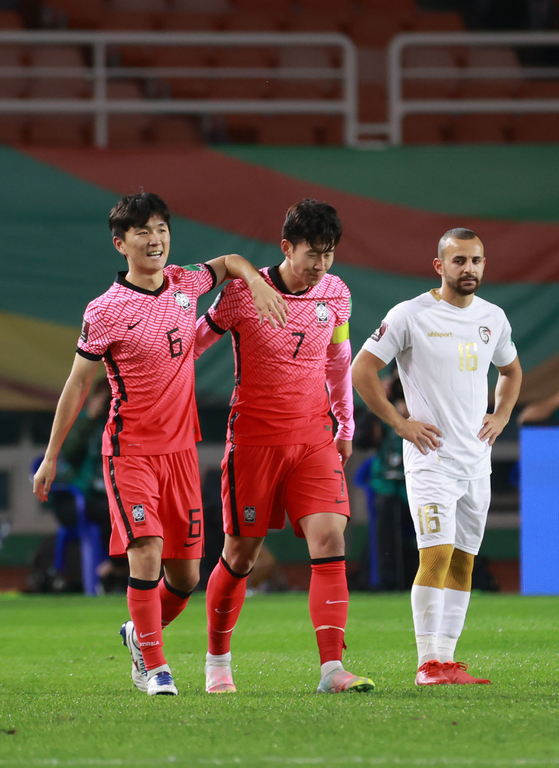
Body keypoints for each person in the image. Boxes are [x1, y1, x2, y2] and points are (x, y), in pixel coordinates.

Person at [33, 192, 287, 697]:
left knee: (186, 576)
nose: (156, 240)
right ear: (120, 243)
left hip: (181, 454)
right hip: (130, 453)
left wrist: (256, 281)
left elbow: (231, 263)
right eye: (143, 232)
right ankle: (155, 667)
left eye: (162, 229)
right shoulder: (105, 310)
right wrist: (51, 454)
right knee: (145, 553)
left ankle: (138, 634)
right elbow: (77, 384)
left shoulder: (184, 282)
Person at [195, 198, 374, 695]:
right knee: (241, 556)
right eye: (312, 253)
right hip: (254, 441)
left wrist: (346, 425)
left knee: (331, 541)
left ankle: (332, 669)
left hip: (314, 437)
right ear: (285, 248)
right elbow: (191, 342)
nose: (321, 265)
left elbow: (338, 363)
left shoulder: (336, 293)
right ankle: (217, 660)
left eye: (329, 253)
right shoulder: (240, 295)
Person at [352, 227, 522, 686]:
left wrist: (501, 414)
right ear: (439, 266)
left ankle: (447, 659)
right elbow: (362, 368)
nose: (469, 269)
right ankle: (428, 663)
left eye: (476, 261)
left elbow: (510, 370)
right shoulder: (411, 315)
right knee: (437, 556)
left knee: (465, 559)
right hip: (430, 460)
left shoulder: (494, 318)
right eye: (460, 260)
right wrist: (399, 423)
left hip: (476, 462)